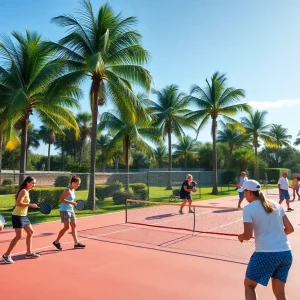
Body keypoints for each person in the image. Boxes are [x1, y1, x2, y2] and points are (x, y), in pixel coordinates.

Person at [238, 179, 294, 300]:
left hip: (265, 254)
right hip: (286, 254)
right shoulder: (276, 205)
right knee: (280, 294)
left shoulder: (248, 209)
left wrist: (240, 237)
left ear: (249, 192)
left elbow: (247, 235)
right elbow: (290, 229)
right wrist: (275, 234)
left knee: (249, 285)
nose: (244, 195)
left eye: (244, 192)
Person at [2, 176, 40, 264]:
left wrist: (32, 205)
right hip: (17, 216)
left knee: (30, 232)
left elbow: (24, 203)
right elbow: (19, 203)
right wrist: (30, 205)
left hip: (23, 216)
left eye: (34, 183)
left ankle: (29, 253)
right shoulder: (23, 191)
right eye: (32, 183)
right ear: (27, 182)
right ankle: (6, 255)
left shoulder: (27, 191)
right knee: (19, 236)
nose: (34, 185)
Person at [53, 175, 86, 250]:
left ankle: (76, 243)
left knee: (74, 226)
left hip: (71, 210)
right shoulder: (67, 190)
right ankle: (56, 242)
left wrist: (73, 203)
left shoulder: (73, 190)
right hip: (64, 210)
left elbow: (70, 201)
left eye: (79, 184)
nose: (78, 185)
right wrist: (72, 203)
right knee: (66, 227)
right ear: (73, 182)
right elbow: (61, 200)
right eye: (77, 184)